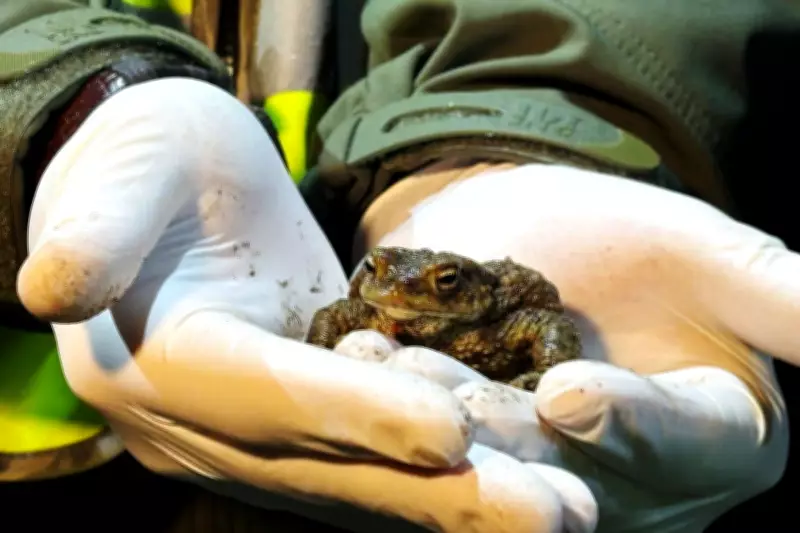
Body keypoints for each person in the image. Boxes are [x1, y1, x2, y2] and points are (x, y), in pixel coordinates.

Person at [3, 1, 800, 532]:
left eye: (434, 287)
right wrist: (63, 112)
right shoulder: (383, 296)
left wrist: (527, 126)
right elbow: (347, 310)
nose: (396, 297)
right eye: (390, 284)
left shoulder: (498, 307)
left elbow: (544, 320)